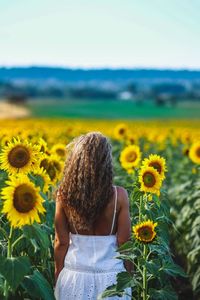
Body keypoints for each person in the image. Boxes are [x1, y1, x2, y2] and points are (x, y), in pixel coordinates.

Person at [54, 132, 132, 299]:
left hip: (75, 276)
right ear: (106, 163)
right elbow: (124, 242)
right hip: (112, 278)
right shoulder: (119, 196)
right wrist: (129, 275)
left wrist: (58, 272)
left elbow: (61, 243)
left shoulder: (64, 196)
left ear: (76, 161)